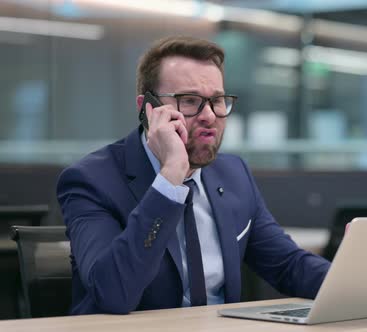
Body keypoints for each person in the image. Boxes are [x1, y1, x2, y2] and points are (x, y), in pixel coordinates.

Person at [57, 36, 331, 315]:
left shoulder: (233, 174)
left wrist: (361, 283)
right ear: (147, 109)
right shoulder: (91, 180)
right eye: (190, 101)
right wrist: (170, 176)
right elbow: (113, 294)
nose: (210, 115)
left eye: (218, 101)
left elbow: (288, 265)